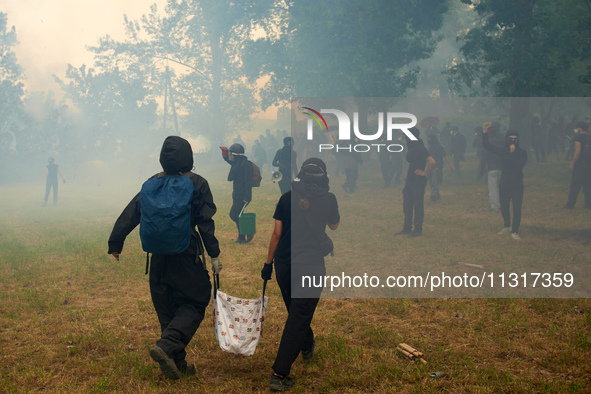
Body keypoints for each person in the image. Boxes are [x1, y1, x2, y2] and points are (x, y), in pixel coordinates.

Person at [107, 136, 222, 379]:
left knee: (167, 310)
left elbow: (132, 211)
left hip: (157, 257)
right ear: (189, 157)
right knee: (196, 300)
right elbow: (205, 223)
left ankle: (177, 365)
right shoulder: (198, 183)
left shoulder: (151, 183)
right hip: (185, 254)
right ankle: (166, 347)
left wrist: (115, 242)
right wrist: (214, 254)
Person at [261, 157, 340, 391]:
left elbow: (276, 234)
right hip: (311, 266)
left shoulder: (286, 198)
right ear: (323, 178)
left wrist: (267, 264)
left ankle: (306, 345)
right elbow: (334, 225)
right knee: (299, 315)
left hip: (284, 265)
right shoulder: (329, 199)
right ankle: (279, 373)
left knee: (296, 312)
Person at [482, 123, 528, 240]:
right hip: (504, 183)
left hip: (517, 184)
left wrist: (512, 153)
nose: (513, 141)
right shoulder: (503, 151)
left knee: (517, 208)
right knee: (504, 206)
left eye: (515, 139)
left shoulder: (522, 153)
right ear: (506, 139)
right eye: (510, 138)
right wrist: (485, 132)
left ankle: (515, 230)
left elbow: (517, 166)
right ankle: (507, 225)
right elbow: (487, 146)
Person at [395, 127, 436, 237]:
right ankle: (407, 227)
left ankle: (418, 229)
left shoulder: (419, 147)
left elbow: (432, 161)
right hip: (410, 179)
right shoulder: (413, 147)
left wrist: (425, 172)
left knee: (417, 205)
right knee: (407, 204)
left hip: (418, 180)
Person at [222, 143, 254, 243]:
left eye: (230, 153)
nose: (230, 155)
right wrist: (225, 154)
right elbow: (229, 161)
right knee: (239, 215)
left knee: (234, 214)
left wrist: (247, 197)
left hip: (243, 196)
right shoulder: (237, 163)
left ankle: (248, 231)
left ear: (235, 154)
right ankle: (241, 237)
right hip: (237, 194)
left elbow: (248, 183)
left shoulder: (245, 165)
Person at [563, 121, 591, 209]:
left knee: (575, 186)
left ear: (580, 128)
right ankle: (588, 205)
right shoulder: (589, 137)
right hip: (588, 164)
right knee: (588, 186)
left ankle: (570, 204)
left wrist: (572, 163)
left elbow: (577, 152)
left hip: (580, 165)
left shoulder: (578, 138)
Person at [426, 134, 454, 204]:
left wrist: (450, 165)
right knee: (433, 181)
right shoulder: (430, 147)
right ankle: (437, 195)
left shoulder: (439, 147)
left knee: (434, 182)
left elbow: (445, 156)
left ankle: (433, 198)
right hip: (431, 167)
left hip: (437, 167)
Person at [482, 122, 504, 212]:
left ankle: (495, 206)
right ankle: (502, 204)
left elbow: (484, 155)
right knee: (500, 188)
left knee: (493, 188)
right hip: (501, 167)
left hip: (491, 167)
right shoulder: (502, 141)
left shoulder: (488, 142)